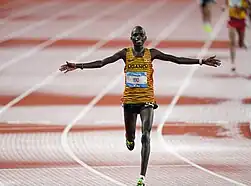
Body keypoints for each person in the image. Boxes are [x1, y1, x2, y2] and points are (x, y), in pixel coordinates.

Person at [59, 26, 221, 186]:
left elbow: (176, 60)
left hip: (147, 101)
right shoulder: (125, 53)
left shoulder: (152, 54)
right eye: (134, 35)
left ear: (144, 38)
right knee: (131, 139)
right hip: (129, 101)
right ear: (131, 39)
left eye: (140, 35)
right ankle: (129, 139)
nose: (137, 38)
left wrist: (201, 61)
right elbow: (102, 62)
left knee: (146, 135)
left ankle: (142, 177)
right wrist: (78, 65)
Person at [224, 0, 251, 72]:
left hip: (241, 21)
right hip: (232, 20)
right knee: (232, 42)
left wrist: (243, 7)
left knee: (240, 44)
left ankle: (242, 42)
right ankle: (232, 62)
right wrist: (224, 7)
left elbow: (250, 7)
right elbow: (226, 4)